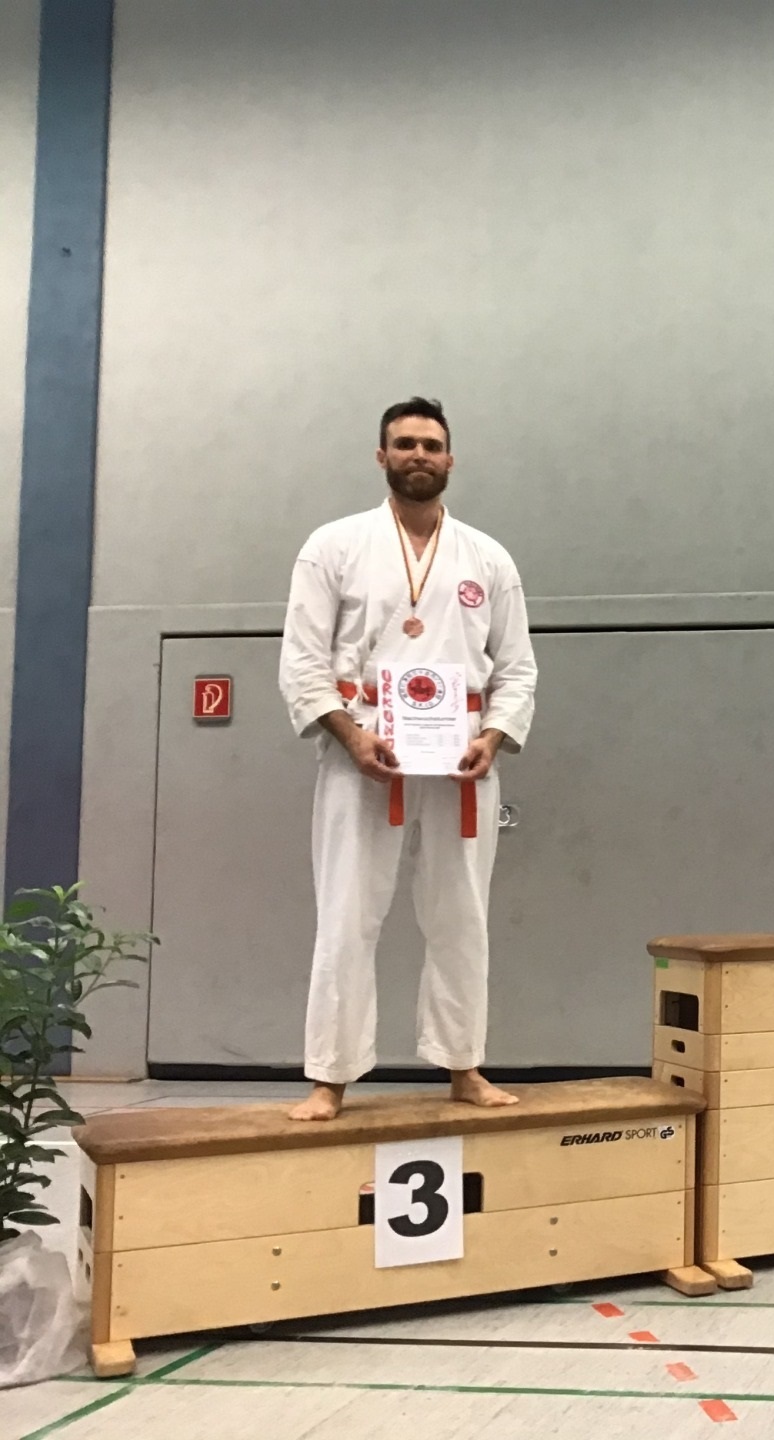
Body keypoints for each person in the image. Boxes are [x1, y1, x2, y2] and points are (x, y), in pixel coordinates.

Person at [278, 397, 537, 1121]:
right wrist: (350, 736)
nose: (418, 454)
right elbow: (302, 662)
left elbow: (517, 668)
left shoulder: (488, 557)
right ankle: (330, 1077)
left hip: (461, 758)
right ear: (381, 456)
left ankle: (464, 1066)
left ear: (450, 459)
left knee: (462, 917)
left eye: (430, 444)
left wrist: (494, 736)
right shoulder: (333, 546)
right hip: (364, 751)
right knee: (346, 915)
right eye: (404, 443)